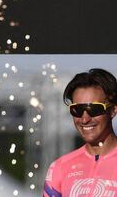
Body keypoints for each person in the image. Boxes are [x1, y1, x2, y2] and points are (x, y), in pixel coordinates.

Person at [43, 68, 117, 196]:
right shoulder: (60, 167)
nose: (85, 119)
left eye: (94, 109)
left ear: (113, 110)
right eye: (77, 110)